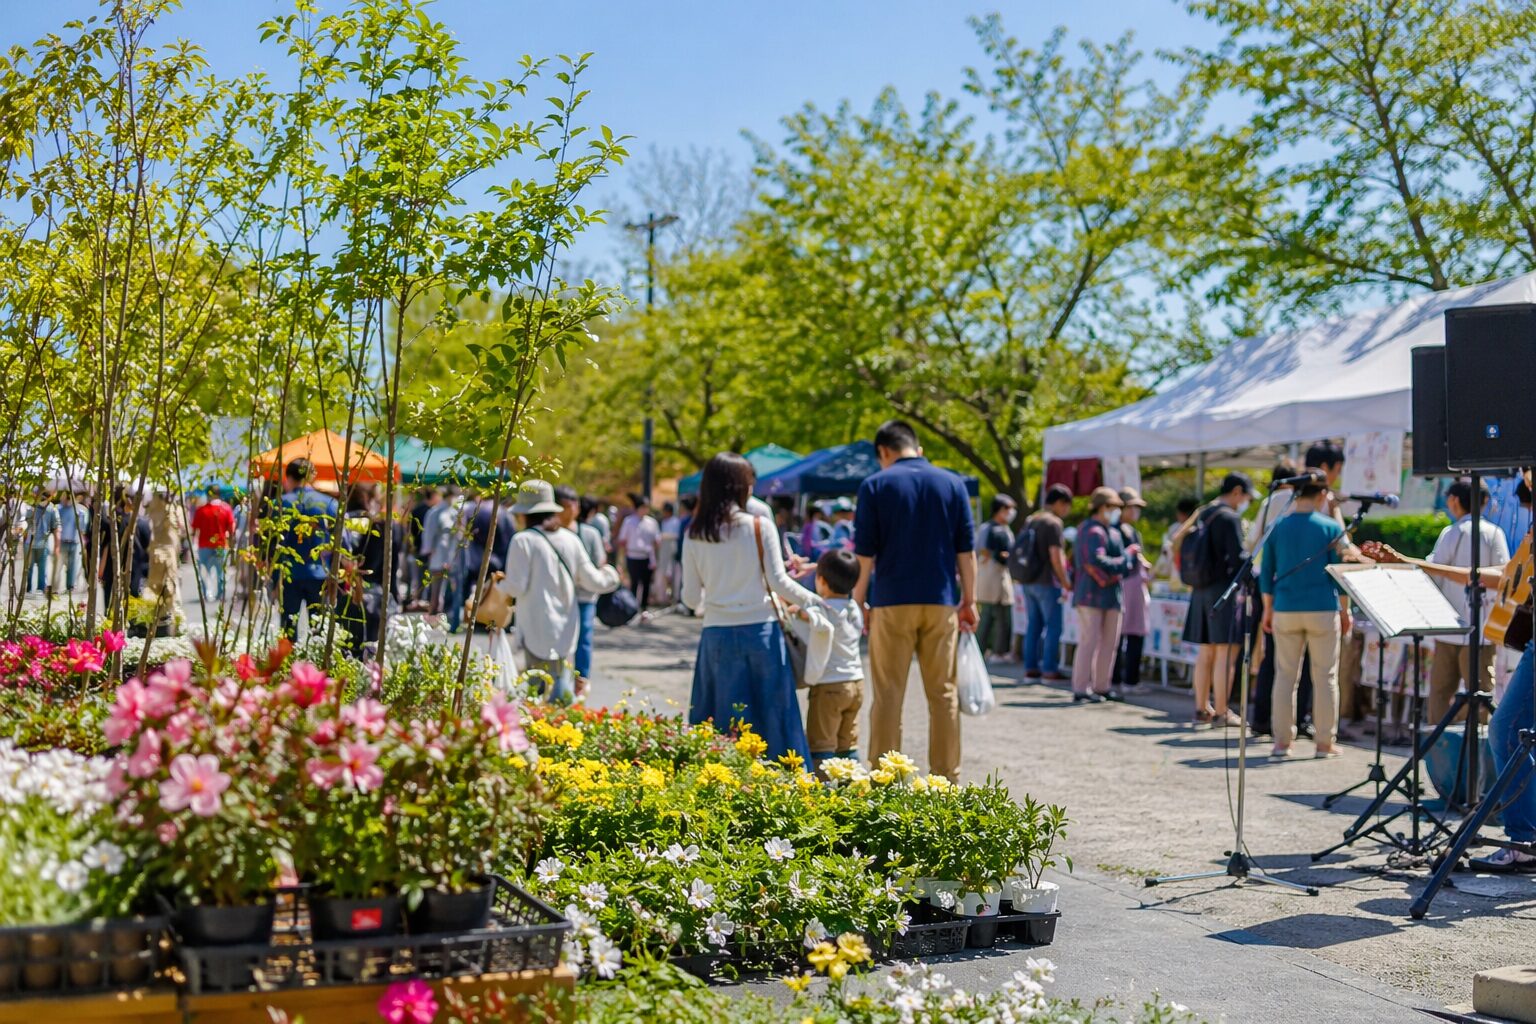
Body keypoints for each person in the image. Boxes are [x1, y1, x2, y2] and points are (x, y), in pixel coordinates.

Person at [852, 421, 976, 782]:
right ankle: (946, 781)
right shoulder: (953, 483)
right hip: (941, 602)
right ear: (917, 448)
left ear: (884, 452)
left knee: (889, 695)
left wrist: (858, 601)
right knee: (943, 694)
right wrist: (971, 599)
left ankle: (884, 779)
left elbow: (864, 554)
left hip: (892, 601)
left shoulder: (876, 485)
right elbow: (965, 552)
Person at [682, 452, 818, 762]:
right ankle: (787, 791)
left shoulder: (695, 533)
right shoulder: (758, 526)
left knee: (717, 726)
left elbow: (690, 599)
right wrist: (815, 601)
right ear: (740, 487)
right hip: (762, 634)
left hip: (716, 636)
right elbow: (780, 583)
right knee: (774, 723)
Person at [501, 480, 620, 704]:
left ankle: (537, 733)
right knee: (560, 690)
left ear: (525, 514)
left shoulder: (523, 540)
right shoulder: (570, 539)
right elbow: (593, 580)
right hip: (566, 624)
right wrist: (612, 574)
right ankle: (562, 733)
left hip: (535, 623)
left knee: (535, 691)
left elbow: (516, 586)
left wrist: (495, 587)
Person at [1260, 472, 1350, 758]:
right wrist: (1345, 611)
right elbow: (1340, 575)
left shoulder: (1278, 526)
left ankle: (1282, 742)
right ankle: (1325, 743)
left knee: (1285, 676)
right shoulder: (1329, 527)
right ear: (1322, 495)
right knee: (1325, 676)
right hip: (1322, 607)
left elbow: (1266, 573)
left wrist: (1267, 608)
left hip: (1285, 607)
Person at [1424, 478, 1510, 725]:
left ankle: (1438, 749)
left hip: (1448, 624)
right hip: (1481, 626)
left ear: (1453, 501)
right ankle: (1479, 750)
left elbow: (1434, 572)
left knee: (1440, 693)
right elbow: (1503, 574)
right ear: (1484, 501)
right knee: (1482, 692)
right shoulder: (1494, 533)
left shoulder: (1451, 532)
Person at [1183, 472, 1254, 729]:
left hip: (1200, 589)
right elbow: (1237, 559)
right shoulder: (1229, 517)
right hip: (1222, 591)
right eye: (1245, 496)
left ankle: (1201, 709)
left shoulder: (1205, 513)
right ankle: (1222, 711)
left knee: (1205, 651)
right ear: (1237, 491)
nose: (1245, 501)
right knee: (1225, 652)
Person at [788, 549, 866, 776]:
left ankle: (824, 793)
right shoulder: (854, 608)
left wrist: (796, 610)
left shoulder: (823, 609)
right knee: (847, 745)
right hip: (856, 684)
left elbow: (803, 614)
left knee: (822, 746)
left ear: (821, 581)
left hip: (829, 687)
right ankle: (853, 789)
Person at [1245, 462, 1306, 737]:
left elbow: (1252, 540)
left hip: (1266, 580)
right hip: (1297, 584)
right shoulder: (1304, 501)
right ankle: (1297, 719)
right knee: (1301, 660)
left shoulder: (1270, 501)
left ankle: (1260, 718)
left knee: (1271, 655)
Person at [1071, 487, 1138, 703]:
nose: (1117, 512)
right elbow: (1097, 561)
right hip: (1090, 595)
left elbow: (1122, 566)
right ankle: (1081, 688)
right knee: (1089, 642)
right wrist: (1125, 558)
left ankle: (1102, 686)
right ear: (1102, 508)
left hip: (1112, 595)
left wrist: (1122, 562)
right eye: (1113, 508)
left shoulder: (1114, 532)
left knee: (1110, 644)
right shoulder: (1091, 530)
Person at [274, 458, 339, 638]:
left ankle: (288, 665)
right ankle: (318, 665)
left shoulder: (281, 503)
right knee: (319, 630)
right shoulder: (330, 503)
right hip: (320, 571)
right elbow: (340, 541)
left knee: (288, 628)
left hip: (289, 574)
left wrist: (272, 578)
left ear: (288, 478)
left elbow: (272, 544)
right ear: (311, 476)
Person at [1017, 485, 1074, 682]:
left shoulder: (1032, 519)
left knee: (1033, 625)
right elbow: (1056, 557)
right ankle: (1050, 668)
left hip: (1028, 579)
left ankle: (1030, 667)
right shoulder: (1053, 523)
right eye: (1067, 506)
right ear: (1059, 503)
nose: (1067, 510)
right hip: (1047, 582)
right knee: (1054, 626)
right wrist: (1066, 581)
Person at [564, 488, 611, 692]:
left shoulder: (570, 532)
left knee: (573, 638)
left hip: (573, 594)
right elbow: (601, 561)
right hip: (581, 594)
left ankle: (571, 679)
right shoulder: (588, 533)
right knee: (582, 639)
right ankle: (578, 681)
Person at [1113, 488, 1153, 694]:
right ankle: (1117, 679)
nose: (1135, 511)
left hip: (1136, 587)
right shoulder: (1114, 531)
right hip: (1123, 586)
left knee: (1135, 634)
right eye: (1132, 507)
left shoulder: (1132, 532)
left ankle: (1131, 678)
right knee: (1117, 636)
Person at [975, 494, 1017, 660]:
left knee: (1003, 617)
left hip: (1002, 576)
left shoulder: (1007, 530)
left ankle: (1000, 651)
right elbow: (980, 549)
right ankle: (980, 649)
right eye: (1008, 509)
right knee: (987, 616)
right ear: (1000, 509)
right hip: (989, 575)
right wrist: (996, 554)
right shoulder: (987, 528)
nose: (1011, 512)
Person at [190, 486, 237, 602]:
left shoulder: (201, 510)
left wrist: (192, 544)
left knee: (204, 571)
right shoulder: (226, 509)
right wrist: (231, 544)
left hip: (204, 546)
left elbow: (194, 529)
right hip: (221, 545)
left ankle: (206, 594)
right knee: (221, 571)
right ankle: (220, 594)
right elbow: (231, 528)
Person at [616, 494, 660, 612]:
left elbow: (656, 541)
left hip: (646, 556)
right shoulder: (629, 521)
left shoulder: (652, 522)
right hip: (632, 555)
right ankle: (632, 607)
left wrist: (654, 556)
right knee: (634, 582)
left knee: (646, 583)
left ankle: (644, 607)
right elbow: (622, 540)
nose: (645, 510)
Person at [1155, 496, 1200, 582]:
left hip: (1179, 568)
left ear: (1182, 514)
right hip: (1194, 571)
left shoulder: (1175, 529)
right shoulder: (1201, 528)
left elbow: (1171, 548)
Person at [54, 491, 89, 595]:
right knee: (58, 566)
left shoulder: (80, 511)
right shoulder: (59, 509)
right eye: (66, 497)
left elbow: (83, 528)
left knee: (73, 567)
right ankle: (55, 587)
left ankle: (70, 587)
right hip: (62, 542)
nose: (67, 499)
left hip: (75, 542)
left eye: (70, 497)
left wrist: (80, 518)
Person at [24, 493, 57, 595]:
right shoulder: (31, 508)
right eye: (41, 497)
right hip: (30, 543)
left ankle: (41, 589)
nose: (43, 499)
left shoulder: (51, 510)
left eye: (45, 498)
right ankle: (28, 589)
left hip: (44, 544)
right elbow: (25, 522)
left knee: (43, 569)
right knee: (29, 568)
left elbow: (54, 525)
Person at [657, 501, 682, 606]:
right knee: (663, 573)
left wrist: (665, 536)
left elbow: (676, 535)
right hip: (663, 550)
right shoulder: (662, 522)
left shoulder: (676, 521)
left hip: (672, 549)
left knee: (673, 573)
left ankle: (675, 597)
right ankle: (663, 597)